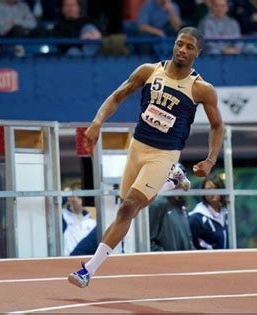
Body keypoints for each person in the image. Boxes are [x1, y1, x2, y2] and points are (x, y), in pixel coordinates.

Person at [68, 26, 224, 288]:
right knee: (127, 209)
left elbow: (217, 125)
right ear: (173, 44)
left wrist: (210, 160)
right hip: (137, 147)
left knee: (128, 207)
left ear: (198, 53)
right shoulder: (149, 71)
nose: (182, 50)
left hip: (164, 154)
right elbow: (117, 96)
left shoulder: (201, 89)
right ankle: (172, 181)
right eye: (179, 44)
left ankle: (88, 271)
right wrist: (96, 122)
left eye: (189, 47)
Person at [149, 164, 194, 251]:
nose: (182, 181)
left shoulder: (182, 205)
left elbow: (188, 239)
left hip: (185, 261)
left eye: (183, 177)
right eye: (177, 177)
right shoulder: (158, 204)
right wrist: (167, 258)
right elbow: (149, 241)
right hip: (168, 262)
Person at [189, 173, 229, 250]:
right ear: (203, 192)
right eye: (208, 189)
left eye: (216, 188)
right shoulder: (196, 218)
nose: (213, 192)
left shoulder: (227, 213)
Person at [62, 183, 97, 256]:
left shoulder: (92, 222)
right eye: (80, 197)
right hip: (68, 262)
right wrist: (65, 195)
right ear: (71, 198)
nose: (84, 201)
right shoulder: (64, 217)